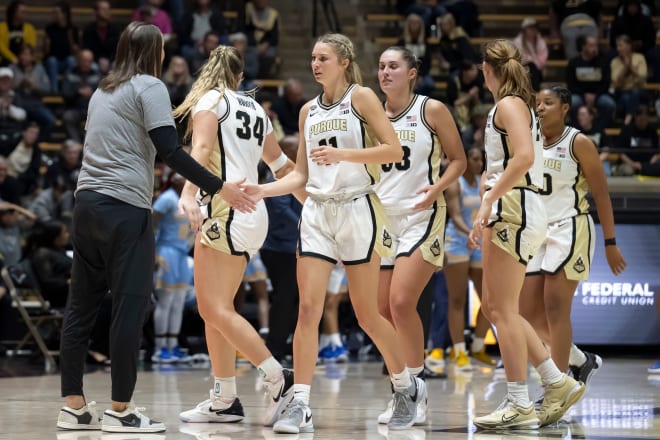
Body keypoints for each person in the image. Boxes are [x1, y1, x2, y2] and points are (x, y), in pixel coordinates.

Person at [56, 22, 247, 434]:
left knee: (80, 307)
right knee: (131, 307)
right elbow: (170, 151)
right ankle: (121, 410)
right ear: (153, 52)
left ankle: (72, 405)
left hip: (85, 204)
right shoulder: (151, 87)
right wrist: (219, 187)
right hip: (125, 208)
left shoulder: (101, 90)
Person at [247, 33, 424, 434]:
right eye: (312, 57)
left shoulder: (362, 97)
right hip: (317, 213)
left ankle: (406, 386)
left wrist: (345, 154)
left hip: (359, 207)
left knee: (366, 314)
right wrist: (262, 189)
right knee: (307, 310)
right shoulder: (308, 110)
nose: (315, 64)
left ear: (344, 61)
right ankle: (301, 404)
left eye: (323, 57)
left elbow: (394, 150)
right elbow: (302, 175)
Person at [172, 44, 296, 427]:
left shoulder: (211, 100)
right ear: (240, 77)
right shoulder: (258, 109)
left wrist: (188, 193)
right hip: (253, 211)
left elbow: (202, 148)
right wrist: (316, 205)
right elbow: (283, 167)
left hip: (226, 206)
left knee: (214, 309)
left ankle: (277, 377)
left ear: (208, 71)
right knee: (218, 310)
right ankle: (225, 398)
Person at [469, 39, 584, 430]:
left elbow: (524, 158)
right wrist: (486, 201)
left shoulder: (509, 104)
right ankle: (555, 381)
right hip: (513, 206)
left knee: (501, 309)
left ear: (488, 68)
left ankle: (520, 400)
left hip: (515, 207)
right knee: (500, 308)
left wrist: (489, 201)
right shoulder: (510, 104)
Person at [374, 45, 466, 426]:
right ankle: (403, 388)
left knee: (399, 302)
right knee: (378, 311)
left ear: (412, 72)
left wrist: (438, 187)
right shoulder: (370, 113)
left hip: (422, 215)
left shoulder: (432, 110)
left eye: (393, 66)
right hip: (381, 218)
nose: (385, 72)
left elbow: (458, 158)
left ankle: (414, 384)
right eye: (380, 67)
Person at [520, 85, 627, 395]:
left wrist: (610, 242)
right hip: (537, 232)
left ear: (565, 108)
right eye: (537, 103)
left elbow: (602, 194)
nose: (539, 108)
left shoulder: (578, 142)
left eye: (548, 103)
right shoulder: (529, 142)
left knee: (555, 309)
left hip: (570, 227)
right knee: (524, 314)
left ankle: (556, 390)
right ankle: (581, 361)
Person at [443, 146, 495, 372]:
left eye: (480, 159)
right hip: (457, 241)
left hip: (477, 241)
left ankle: (477, 346)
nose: (478, 163)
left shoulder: (480, 181)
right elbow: (454, 216)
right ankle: (459, 352)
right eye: (474, 159)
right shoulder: (455, 183)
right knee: (457, 300)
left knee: (488, 300)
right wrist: (472, 233)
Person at [151, 173, 195, 363]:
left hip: (182, 253)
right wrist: (152, 252)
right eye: (181, 178)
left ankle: (173, 344)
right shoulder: (166, 198)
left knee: (178, 301)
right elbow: (151, 225)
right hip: (165, 252)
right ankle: (160, 348)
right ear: (174, 181)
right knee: (165, 300)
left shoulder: (189, 199)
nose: (185, 180)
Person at [610, 34, 647, 126]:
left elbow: (642, 78)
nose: (618, 49)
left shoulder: (639, 58)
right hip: (621, 93)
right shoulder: (615, 61)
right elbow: (616, 83)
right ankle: (629, 121)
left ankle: (627, 121)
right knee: (626, 97)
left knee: (635, 93)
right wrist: (625, 68)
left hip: (640, 92)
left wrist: (630, 66)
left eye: (620, 45)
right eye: (617, 46)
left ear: (629, 46)